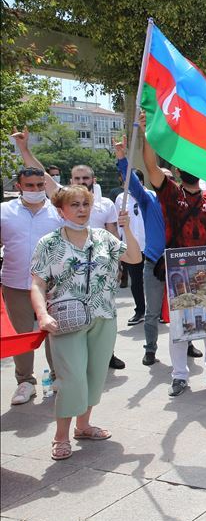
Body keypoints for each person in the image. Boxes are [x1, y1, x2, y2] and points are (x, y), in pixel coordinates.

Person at [30, 185, 142, 460]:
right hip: (66, 320)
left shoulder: (104, 237)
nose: (82, 210)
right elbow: (37, 283)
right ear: (61, 210)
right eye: (75, 205)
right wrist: (43, 314)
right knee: (72, 379)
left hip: (103, 316)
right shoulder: (49, 243)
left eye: (85, 204)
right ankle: (60, 436)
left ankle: (83, 426)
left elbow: (135, 258)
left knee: (94, 376)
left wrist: (125, 229)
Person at [13, 129, 126, 370]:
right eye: (77, 179)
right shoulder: (63, 199)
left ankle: (106, 356)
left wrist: (118, 266)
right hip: (69, 279)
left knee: (101, 321)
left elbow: (114, 236)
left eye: (86, 179)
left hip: (99, 271)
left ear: (93, 181)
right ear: (70, 183)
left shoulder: (105, 204)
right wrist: (25, 150)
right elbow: (42, 175)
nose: (82, 183)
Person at [141, 128, 206, 396]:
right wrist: (149, 133)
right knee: (180, 327)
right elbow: (150, 165)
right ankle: (179, 375)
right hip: (178, 273)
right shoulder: (170, 194)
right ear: (179, 172)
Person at [114, 129, 202, 366]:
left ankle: (189, 344)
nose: (165, 182)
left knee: (185, 309)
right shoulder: (148, 199)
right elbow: (132, 182)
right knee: (152, 312)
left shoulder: (184, 201)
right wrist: (123, 158)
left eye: (169, 179)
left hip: (181, 264)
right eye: (160, 178)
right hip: (154, 263)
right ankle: (150, 349)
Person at [1, 165, 61, 406]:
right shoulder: (4, 211)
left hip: (53, 285)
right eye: (30, 186)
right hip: (15, 284)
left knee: (55, 333)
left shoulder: (57, 212)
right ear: (19, 187)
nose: (35, 190)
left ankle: (59, 377)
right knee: (22, 335)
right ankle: (25, 382)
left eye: (40, 185)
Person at [114, 169, 147, 326]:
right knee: (136, 281)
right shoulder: (121, 198)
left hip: (150, 246)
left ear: (141, 182)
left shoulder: (151, 196)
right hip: (131, 247)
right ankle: (140, 310)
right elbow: (117, 223)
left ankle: (159, 311)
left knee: (155, 281)